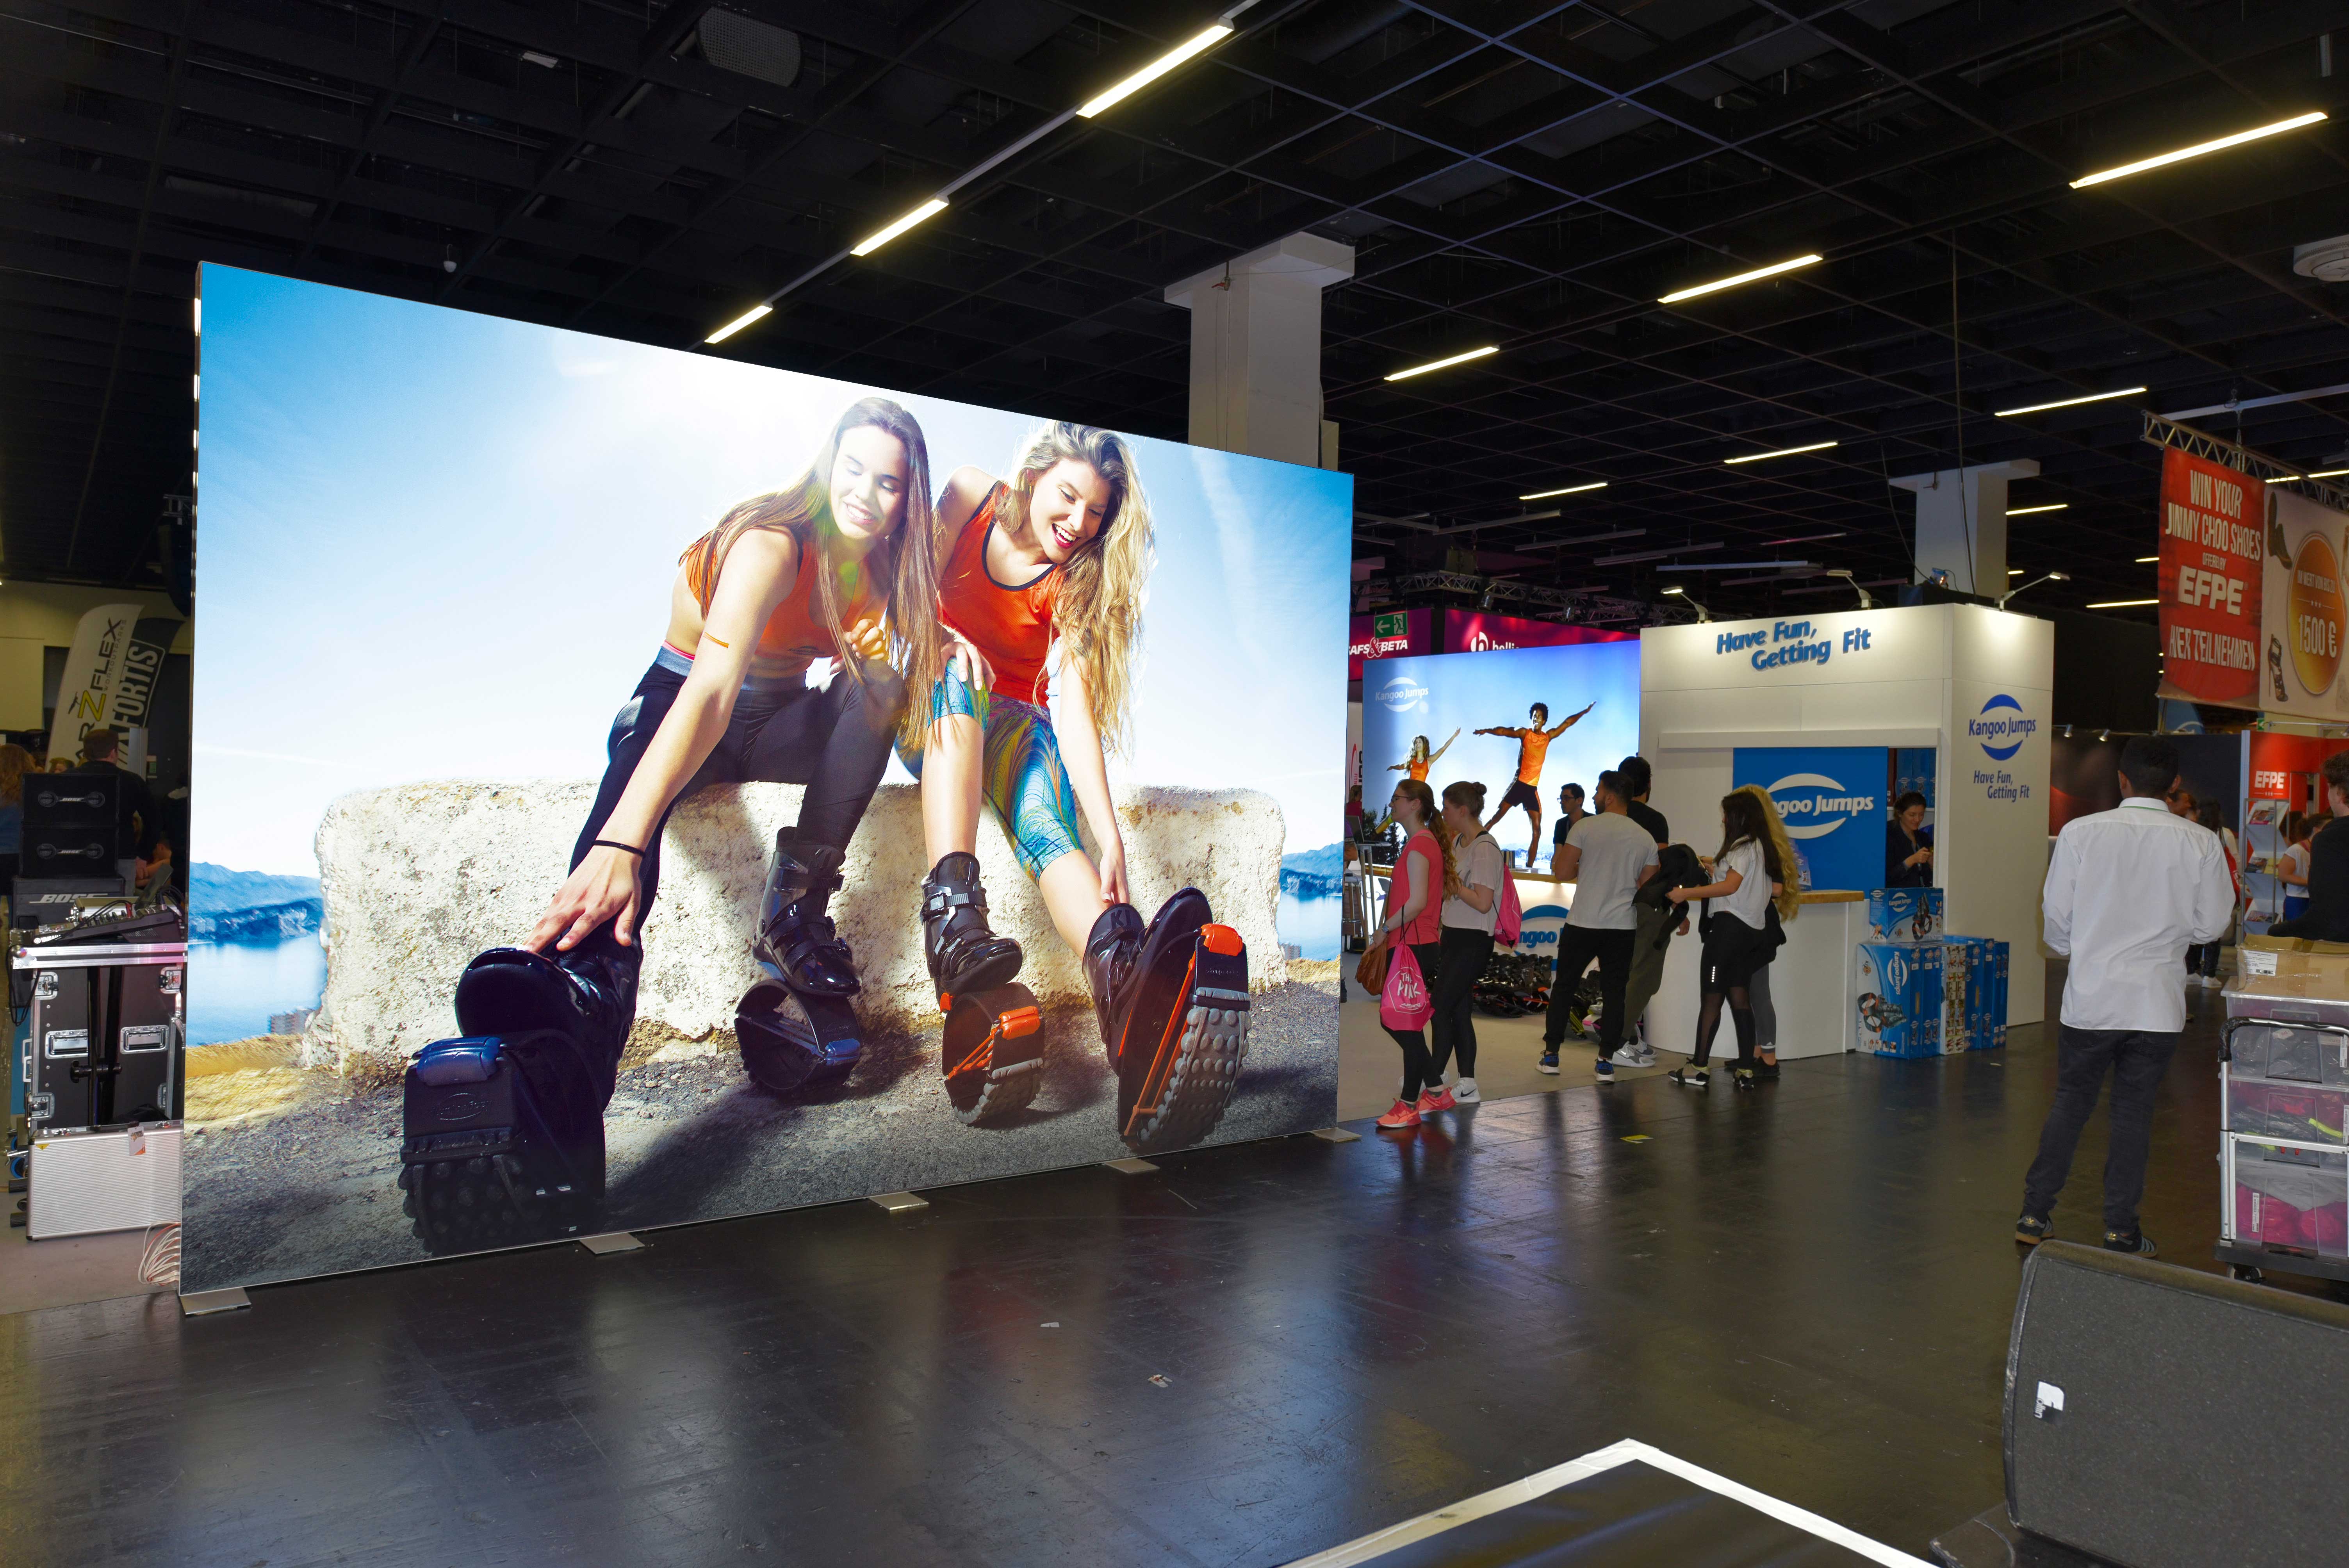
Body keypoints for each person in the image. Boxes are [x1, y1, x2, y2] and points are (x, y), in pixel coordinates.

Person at [417, 398, 945, 1237]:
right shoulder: (771, 541)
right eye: (853, 469)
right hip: (683, 699)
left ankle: (795, 910)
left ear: (908, 497)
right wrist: (622, 839)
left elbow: (877, 702)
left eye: (889, 483)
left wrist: (948, 650)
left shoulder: (882, 571)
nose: (866, 494)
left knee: (881, 685)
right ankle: (578, 1011)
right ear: (826, 465)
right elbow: (708, 688)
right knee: (626, 829)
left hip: (775, 720)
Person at [902, 421, 1246, 1146]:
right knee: (959, 673)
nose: (1078, 522)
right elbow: (907, 594)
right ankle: (953, 916)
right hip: (927, 702)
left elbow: (1073, 709)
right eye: (1068, 496)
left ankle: (1124, 991)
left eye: (1096, 512)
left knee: (1046, 813)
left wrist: (1110, 835)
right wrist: (947, 643)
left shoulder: (1072, 583)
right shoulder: (968, 496)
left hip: (1006, 723)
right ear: (1033, 476)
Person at [2020, 736, 2233, 1256]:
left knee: (2071, 1103)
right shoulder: (2201, 842)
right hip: (2156, 1003)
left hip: (2092, 999)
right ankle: (2121, 1229)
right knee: (2133, 1115)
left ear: (2122, 779)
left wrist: (2083, 950)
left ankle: (2034, 1213)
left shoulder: (2080, 832)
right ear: (2174, 784)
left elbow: (2056, 920)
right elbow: (2212, 926)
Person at [1665, 788, 1797, 1091]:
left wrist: (1687, 893)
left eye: (1726, 814)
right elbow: (1749, 885)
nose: (1723, 820)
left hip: (1727, 933)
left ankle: (1699, 1067)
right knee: (1740, 997)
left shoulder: (1742, 848)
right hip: (1750, 933)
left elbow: (1730, 887)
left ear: (1738, 816)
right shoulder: (1760, 847)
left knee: (1711, 999)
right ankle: (1746, 1068)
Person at [1542, 770, 1658, 1079]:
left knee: (1564, 987)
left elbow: (1562, 872)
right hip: (1621, 926)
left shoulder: (1584, 827)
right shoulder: (1645, 838)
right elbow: (1647, 887)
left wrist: (1588, 865)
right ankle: (1606, 1061)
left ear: (1609, 796)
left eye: (1597, 791)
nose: (1594, 796)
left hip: (1583, 921)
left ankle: (1551, 1056)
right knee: (1616, 993)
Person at [1371, 780, 1448, 1130]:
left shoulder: (1420, 846)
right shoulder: (1423, 843)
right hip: (1415, 944)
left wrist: (1384, 929)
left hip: (1411, 945)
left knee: (1402, 1023)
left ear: (1416, 804)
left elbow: (1416, 903)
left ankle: (1410, 1104)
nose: (1391, 805)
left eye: (1397, 799)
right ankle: (1435, 1091)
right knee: (1402, 1022)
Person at [1429, 780, 1503, 1107]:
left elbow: (1484, 903)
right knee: (1458, 1010)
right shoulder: (1459, 842)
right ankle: (1465, 1082)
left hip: (1473, 940)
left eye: (1447, 808)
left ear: (1462, 810)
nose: (1443, 813)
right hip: (1454, 935)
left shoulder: (1484, 848)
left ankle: (1434, 1074)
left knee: (1440, 1006)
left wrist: (1453, 883)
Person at [1609, 754, 1672, 1067]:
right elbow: (1657, 872)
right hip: (1645, 906)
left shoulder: (1606, 819)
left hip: (1610, 904)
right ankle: (1617, 1040)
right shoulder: (1654, 820)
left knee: (1623, 973)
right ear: (1648, 785)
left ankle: (1628, 1036)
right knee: (1645, 975)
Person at [1477, 702, 1595, 855]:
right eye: (1534, 716)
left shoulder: (1547, 737)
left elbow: (1567, 723)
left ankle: (1530, 865)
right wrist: (1487, 731)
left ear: (1544, 721)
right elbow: (1504, 731)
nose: (1536, 719)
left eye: (1539, 717)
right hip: (1519, 784)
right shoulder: (1525, 733)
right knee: (1497, 817)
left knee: (1537, 831)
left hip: (1532, 789)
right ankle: (1476, 841)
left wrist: (1585, 711)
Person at [70, 727, 163, 885]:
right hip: (121, 857)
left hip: (76, 856)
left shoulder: (67, 779)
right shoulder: (132, 781)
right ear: (114, 752)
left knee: (79, 899)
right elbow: (154, 821)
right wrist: (143, 854)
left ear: (85, 753)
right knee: (119, 899)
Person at [2272, 752, 2349, 941]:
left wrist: (2276, 933)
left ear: (2340, 794)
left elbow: (2329, 919)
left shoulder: (2331, 840)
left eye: (2330, 787)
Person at [2186, 798, 2239, 988]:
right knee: (2214, 929)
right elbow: (2235, 861)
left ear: (2199, 812)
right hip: (2216, 886)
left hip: (2194, 886)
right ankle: (2209, 974)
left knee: (2193, 928)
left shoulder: (2192, 831)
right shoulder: (2224, 834)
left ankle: (2191, 971)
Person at [0, 741, 32, 895]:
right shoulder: (34, 790)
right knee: (20, 903)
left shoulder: (3, 794)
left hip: (3, 853)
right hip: (25, 856)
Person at [1885, 791, 1932, 888]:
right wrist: (1912, 860)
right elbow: (1886, 877)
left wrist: (1932, 866)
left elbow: (1927, 876)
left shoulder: (1924, 837)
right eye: (1912, 815)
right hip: (1898, 895)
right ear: (1900, 813)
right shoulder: (1887, 835)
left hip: (1923, 894)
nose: (1918, 820)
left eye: (1921, 815)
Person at [2277, 812, 2315, 924]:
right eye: (2304, 819)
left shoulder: (2301, 844)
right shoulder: (2293, 846)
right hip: (2295, 895)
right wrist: (2309, 882)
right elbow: (2284, 874)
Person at [1388, 730, 1459, 784]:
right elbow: (1401, 767)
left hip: (1420, 791)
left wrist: (1454, 736)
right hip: (1410, 789)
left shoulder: (1429, 761)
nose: (1418, 744)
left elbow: (1443, 749)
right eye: (1416, 743)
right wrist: (1392, 767)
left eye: (1420, 742)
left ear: (1424, 745)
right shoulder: (1412, 761)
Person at [1547, 782, 1588, 875]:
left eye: (1566, 798)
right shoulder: (1561, 824)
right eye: (1561, 799)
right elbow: (1558, 854)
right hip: (1569, 873)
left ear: (1579, 801)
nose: (1562, 802)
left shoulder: (1592, 821)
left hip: (1589, 872)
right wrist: (1553, 873)